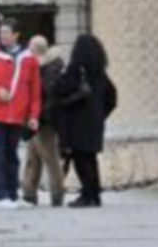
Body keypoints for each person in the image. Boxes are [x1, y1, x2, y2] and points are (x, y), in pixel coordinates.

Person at [0, 18, 41, 209]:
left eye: (7, 32)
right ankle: (1, 196)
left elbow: (35, 89)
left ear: (16, 35)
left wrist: (33, 115)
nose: (3, 35)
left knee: (12, 156)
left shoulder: (29, 59)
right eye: (1, 32)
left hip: (17, 115)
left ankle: (13, 195)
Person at [54, 34, 117, 208]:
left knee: (81, 160)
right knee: (91, 159)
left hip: (77, 124)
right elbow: (112, 98)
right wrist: (100, 115)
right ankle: (94, 195)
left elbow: (58, 93)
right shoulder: (100, 75)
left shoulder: (75, 71)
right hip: (94, 125)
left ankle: (88, 195)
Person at [21, 37, 66, 207]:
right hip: (36, 118)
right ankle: (29, 192)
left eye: (30, 47)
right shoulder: (40, 67)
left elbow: (45, 96)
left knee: (50, 158)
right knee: (33, 158)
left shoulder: (47, 69)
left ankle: (57, 194)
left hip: (43, 120)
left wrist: (38, 116)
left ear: (35, 49)